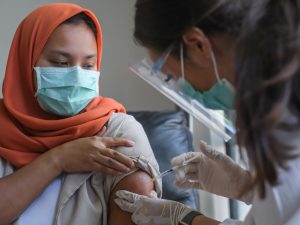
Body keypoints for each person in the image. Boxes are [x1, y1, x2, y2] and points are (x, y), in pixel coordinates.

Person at [115, 0, 300, 224]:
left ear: (198, 44)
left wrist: (183, 217)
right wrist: (249, 187)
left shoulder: (283, 125)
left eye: (169, 76)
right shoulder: (277, 98)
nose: (180, 88)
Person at [0, 3, 161, 225]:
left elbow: (136, 210)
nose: (76, 76)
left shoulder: (119, 131)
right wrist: (57, 160)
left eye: (88, 65)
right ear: (26, 60)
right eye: (60, 63)